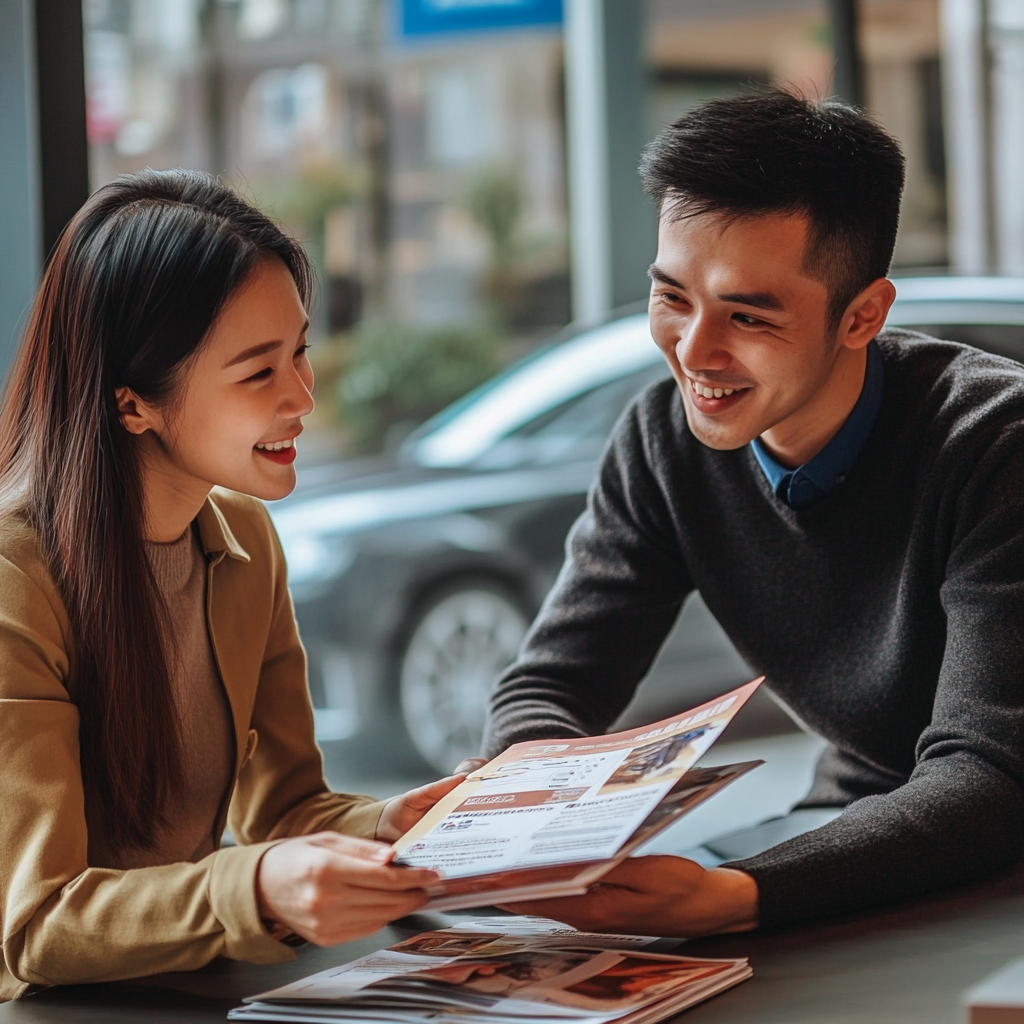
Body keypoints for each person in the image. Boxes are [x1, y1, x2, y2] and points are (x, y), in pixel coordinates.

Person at [474, 89, 1024, 936]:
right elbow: (551, 684)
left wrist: (735, 894)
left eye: (748, 315)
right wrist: (524, 805)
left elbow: (991, 779)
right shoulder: (663, 441)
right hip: (865, 823)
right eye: (673, 298)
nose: (695, 353)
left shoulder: (996, 445)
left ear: (863, 315)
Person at [0, 170, 459, 1001]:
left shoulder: (244, 539)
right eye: (258, 374)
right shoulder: (12, 583)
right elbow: (33, 923)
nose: (303, 398)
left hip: (185, 992)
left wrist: (394, 823)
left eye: (301, 353)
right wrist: (250, 888)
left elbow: (284, 815)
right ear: (132, 403)